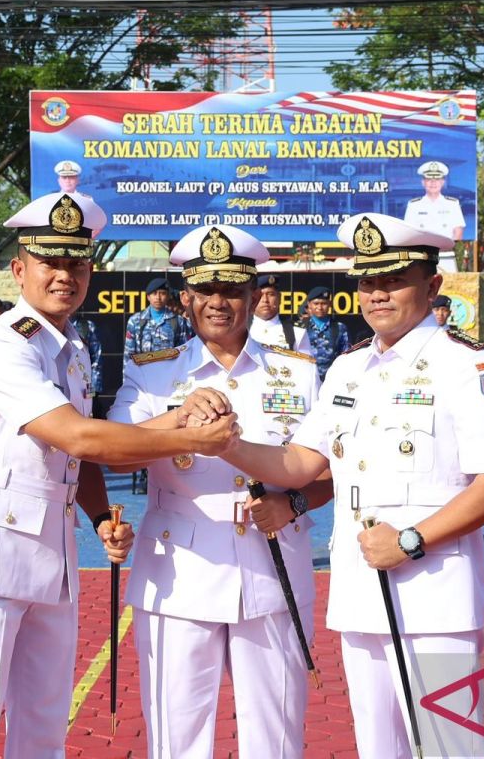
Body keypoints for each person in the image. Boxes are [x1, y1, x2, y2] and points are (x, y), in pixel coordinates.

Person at [0, 191, 241, 759]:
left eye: (76, 264)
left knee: (45, 717)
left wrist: (101, 517)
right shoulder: (7, 346)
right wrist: (188, 437)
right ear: (19, 270)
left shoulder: (71, 346)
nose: (65, 277)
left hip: (53, 550)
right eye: (51, 263)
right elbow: (77, 435)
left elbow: (78, 459)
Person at [220, 211, 484, 759]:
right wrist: (227, 446)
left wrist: (411, 539)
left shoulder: (465, 364)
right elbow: (302, 462)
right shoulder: (347, 367)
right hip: (360, 592)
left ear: (432, 285)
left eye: (393, 280)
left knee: (449, 746)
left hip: (434, 595)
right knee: (378, 748)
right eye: (367, 281)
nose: (377, 294)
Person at [108, 224, 330, 759]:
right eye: (205, 291)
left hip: (273, 567)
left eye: (232, 290)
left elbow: (327, 471)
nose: (218, 303)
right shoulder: (151, 375)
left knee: (276, 737)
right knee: (176, 737)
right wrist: (180, 419)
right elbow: (118, 449)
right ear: (186, 299)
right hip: (179, 572)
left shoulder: (298, 374)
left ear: (255, 296)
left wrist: (293, 501)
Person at [123, 278, 193, 367]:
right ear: (148, 297)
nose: (158, 297)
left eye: (162, 293)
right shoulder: (135, 321)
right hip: (143, 376)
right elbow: (129, 355)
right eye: (154, 293)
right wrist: (128, 379)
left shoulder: (178, 322)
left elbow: (184, 353)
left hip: (169, 376)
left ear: (168, 296)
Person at [247, 273, 311, 353]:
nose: (265, 300)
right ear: (253, 299)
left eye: (271, 294)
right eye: (260, 295)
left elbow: (306, 364)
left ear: (280, 298)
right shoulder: (240, 328)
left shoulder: (296, 331)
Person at [403, 160, 465, 243]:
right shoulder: (413, 205)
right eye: (429, 179)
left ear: (442, 182)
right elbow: (408, 233)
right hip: (422, 253)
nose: (433, 183)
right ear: (423, 183)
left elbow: (458, 232)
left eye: (437, 179)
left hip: (447, 252)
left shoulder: (452, 204)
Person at [304, 285, 350, 380]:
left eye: (323, 303)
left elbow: (346, 356)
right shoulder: (300, 327)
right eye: (316, 304)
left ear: (329, 304)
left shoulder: (339, 328)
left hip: (331, 379)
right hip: (306, 378)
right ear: (309, 304)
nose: (320, 307)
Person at [69, 312, 103, 417]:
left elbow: (96, 358)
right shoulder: (49, 326)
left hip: (83, 386)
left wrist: (92, 391)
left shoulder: (87, 326)